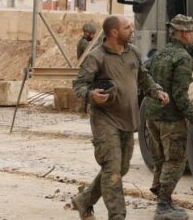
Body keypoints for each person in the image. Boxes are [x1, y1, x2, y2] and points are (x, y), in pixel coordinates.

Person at [70, 15, 169, 220]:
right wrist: (91, 96)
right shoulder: (96, 57)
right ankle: (117, 215)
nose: (132, 29)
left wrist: (156, 91)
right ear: (114, 33)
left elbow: (143, 77)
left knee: (120, 168)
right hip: (104, 119)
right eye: (127, 27)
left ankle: (84, 200)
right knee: (112, 168)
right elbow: (79, 85)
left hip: (127, 119)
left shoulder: (133, 52)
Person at [145, 14, 193, 220]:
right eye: (192, 31)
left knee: (161, 158)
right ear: (182, 34)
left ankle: (161, 194)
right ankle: (163, 206)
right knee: (176, 161)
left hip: (152, 116)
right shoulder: (183, 58)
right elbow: (180, 95)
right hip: (171, 119)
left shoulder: (161, 53)